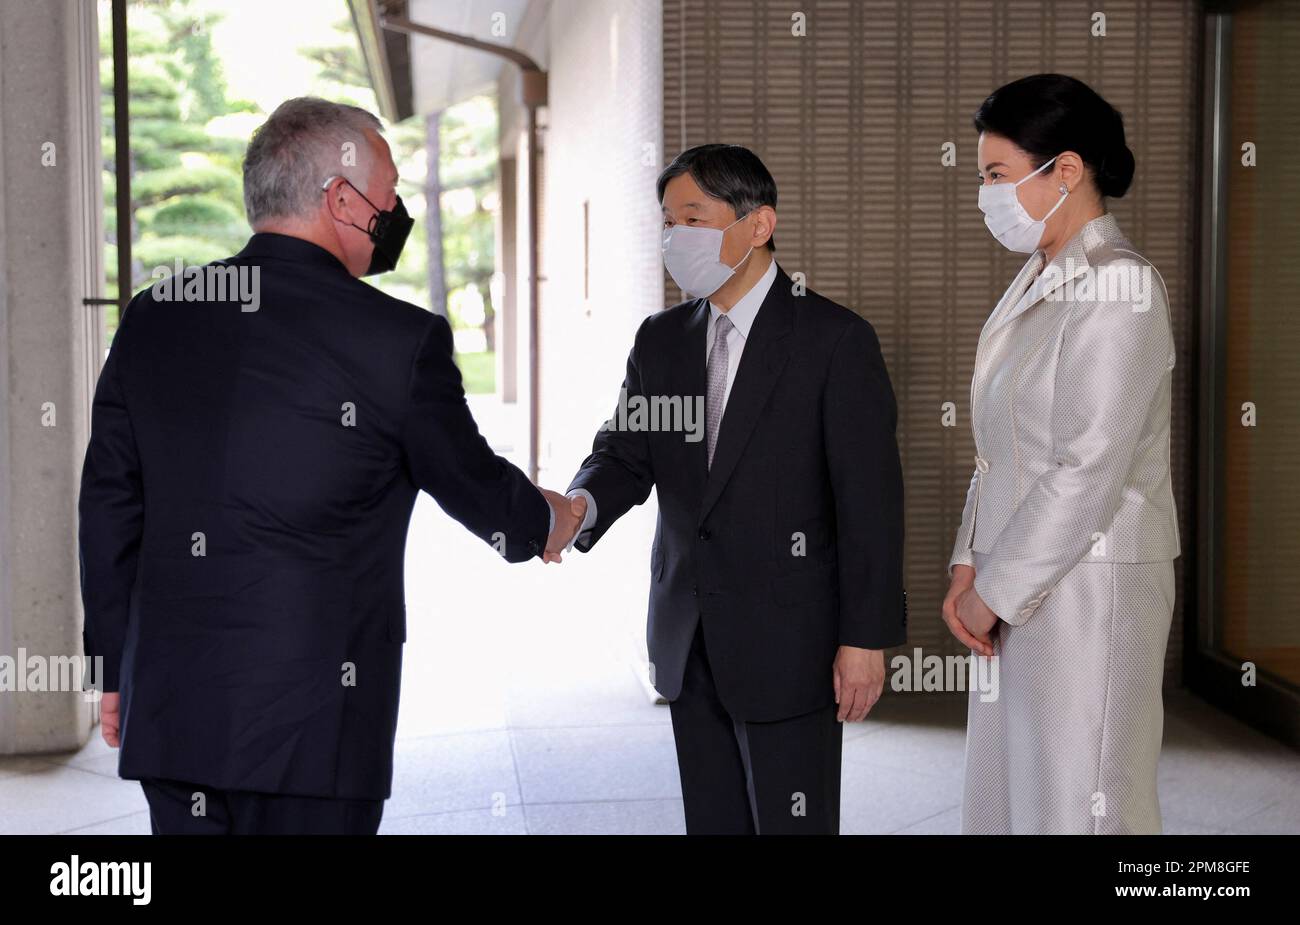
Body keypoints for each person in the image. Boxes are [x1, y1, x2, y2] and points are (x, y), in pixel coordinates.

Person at [77, 97, 583, 835]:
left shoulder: (156, 314)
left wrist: (110, 664)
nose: (398, 208)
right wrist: (550, 518)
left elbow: (109, 505)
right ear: (342, 199)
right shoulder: (396, 339)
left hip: (172, 710)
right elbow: (472, 483)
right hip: (316, 730)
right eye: (391, 189)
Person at [552, 144, 906, 834]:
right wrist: (579, 507)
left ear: (758, 224)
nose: (673, 238)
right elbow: (625, 453)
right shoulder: (661, 340)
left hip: (792, 642)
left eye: (693, 218)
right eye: (667, 221)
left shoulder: (834, 340)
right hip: (688, 634)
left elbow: (871, 503)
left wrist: (865, 638)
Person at [943, 74, 1180, 834]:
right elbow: (1000, 449)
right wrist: (969, 560)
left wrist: (996, 586)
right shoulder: (1038, 278)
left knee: (1083, 793)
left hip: (1090, 588)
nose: (985, 195)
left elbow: (1088, 465)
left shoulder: (1121, 289)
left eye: (997, 175)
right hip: (1021, 573)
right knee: (1018, 791)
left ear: (1066, 170)